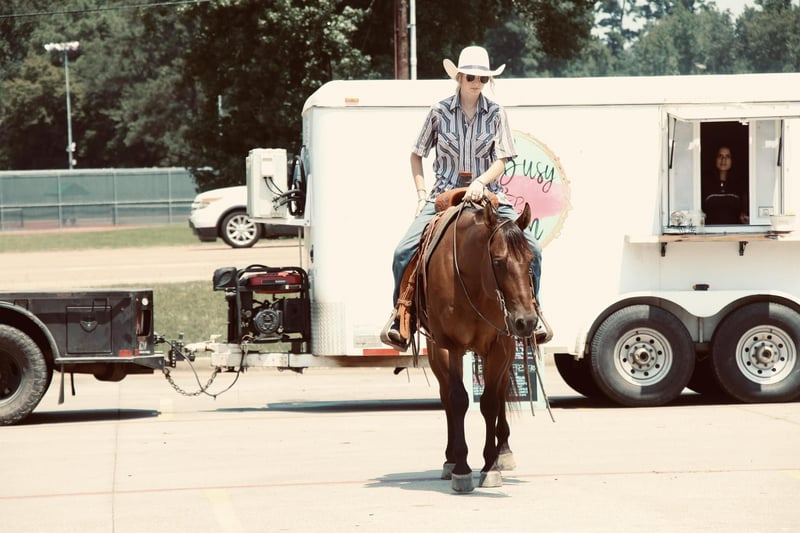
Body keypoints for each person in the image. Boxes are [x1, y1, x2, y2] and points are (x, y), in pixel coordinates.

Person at [380, 45, 551, 351]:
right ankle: (402, 317)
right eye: (471, 76)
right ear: (458, 76)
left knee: (534, 250)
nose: (476, 82)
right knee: (402, 252)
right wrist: (421, 195)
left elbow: (502, 159)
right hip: (444, 194)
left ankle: (534, 311)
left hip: (490, 195)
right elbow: (416, 155)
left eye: (483, 78)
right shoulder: (438, 111)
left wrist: (482, 182)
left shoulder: (497, 113)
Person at [702, 146, 749, 225]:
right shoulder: (704, 182)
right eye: (720, 156)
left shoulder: (740, 183)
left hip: (735, 231)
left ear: (732, 160)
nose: (723, 160)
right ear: (714, 159)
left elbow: (745, 210)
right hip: (709, 231)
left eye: (728, 156)